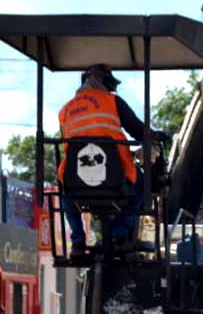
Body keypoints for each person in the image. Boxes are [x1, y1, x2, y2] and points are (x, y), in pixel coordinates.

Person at [58, 63, 167, 260]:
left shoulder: (65, 110)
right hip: (115, 178)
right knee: (142, 185)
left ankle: (78, 243)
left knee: (65, 193)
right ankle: (118, 234)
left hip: (76, 181)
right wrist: (157, 136)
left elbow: (78, 146)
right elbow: (139, 131)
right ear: (102, 82)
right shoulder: (112, 101)